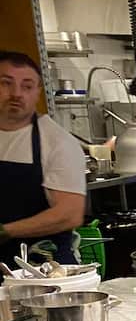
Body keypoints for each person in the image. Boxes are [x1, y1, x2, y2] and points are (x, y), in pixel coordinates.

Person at [0, 51, 86, 266]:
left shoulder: (57, 142)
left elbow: (69, 214)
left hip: (43, 267)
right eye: (6, 83)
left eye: (27, 86)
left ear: (37, 92)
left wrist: (5, 231)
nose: (16, 94)